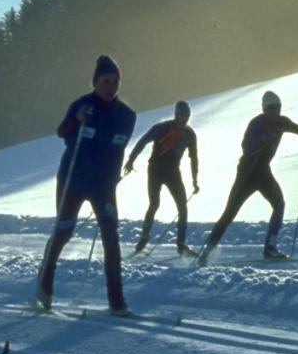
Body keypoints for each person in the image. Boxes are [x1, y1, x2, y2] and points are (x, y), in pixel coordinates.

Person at [35, 54, 137, 315]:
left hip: (103, 185)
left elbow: (119, 148)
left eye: (116, 81)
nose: (111, 86)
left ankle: (117, 301)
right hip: (74, 180)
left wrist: (113, 179)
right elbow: (62, 133)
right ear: (95, 82)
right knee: (64, 231)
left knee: (110, 239)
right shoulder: (82, 105)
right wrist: (76, 121)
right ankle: (45, 284)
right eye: (106, 81)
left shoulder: (126, 115)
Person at [196, 91, 298, 265]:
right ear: (264, 109)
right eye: (271, 109)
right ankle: (206, 253)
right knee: (230, 212)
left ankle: (270, 248)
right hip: (247, 171)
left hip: (262, 171)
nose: (275, 112)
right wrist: (262, 140)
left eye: (277, 108)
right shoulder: (257, 123)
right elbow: (245, 146)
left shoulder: (282, 122)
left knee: (279, 204)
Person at [125, 100, 200, 256]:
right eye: (181, 115)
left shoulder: (190, 134)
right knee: (154, 204)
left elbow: (194, 158)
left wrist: (195, 180)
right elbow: (143, 141)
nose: (184, 118)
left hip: (173, 172)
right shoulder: (162, 128)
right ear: (176, 115)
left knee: (182, 206)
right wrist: (131, 160)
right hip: (155, 170)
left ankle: (181, 245)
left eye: (186, 116)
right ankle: (142, 241)